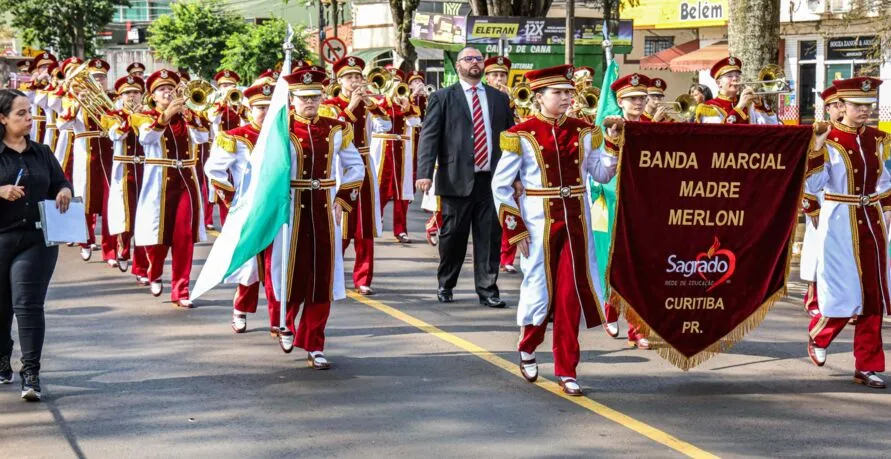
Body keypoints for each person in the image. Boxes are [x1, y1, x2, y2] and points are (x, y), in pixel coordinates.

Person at [492, 64, 621, 396]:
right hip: (538, 225)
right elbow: (501, 187)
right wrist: (515, 229)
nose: (566, 97)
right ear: (539, 97)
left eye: (568, 92)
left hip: (578, 223)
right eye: (558, 93)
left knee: (570, 297)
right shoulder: (520, 134)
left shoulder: (584, 131)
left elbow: (601, 173)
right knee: (539, 292)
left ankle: (567, 369)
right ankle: (528, 345)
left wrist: (614, 144)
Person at [266, 68, 365, 368]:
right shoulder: (280, 130)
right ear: (292, 99)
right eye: (303, 98)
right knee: (289, 271)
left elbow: (355, 167)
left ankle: (314, 343)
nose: (310, 103)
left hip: (324, 206)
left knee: (322, 277)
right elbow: (266, 172)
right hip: (291, 208)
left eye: (315, 97)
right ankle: (286, 323)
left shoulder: (336, 129)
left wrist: (343, 199)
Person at [805, 77, 890, 389]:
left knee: (873, 295)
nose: (865, 110)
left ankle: (867, 365)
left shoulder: (878, 140)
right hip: (839, 221)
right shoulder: (828, 141)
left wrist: (887, 214)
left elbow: (884, 185)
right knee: (845, 292)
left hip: (872, 220)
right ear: (840, 107)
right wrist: (815, 149)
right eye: (858, 105)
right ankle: (819, 334)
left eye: (868, 105)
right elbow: (812, 186)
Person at [416, 46, 513, 307]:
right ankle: (446, 283)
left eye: (479, 59)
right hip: (455, 178)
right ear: (458, 65)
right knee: (453, 237)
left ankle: (488, 290)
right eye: (469, 59)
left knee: (489, 238)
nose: (475, 63)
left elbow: (511, 137)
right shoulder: (443, 97)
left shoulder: (498, 98)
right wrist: (424, 173)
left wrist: (516, 176)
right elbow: (429, 136)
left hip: (491, 180)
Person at [0, 88, 73, 401]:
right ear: (2, 118)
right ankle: (2, 358)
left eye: (30, 112)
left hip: (37, 239)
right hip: (2, 236)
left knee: (27, 305)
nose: (30, 118)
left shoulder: (42, 152)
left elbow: (60, 181)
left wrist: (64, 192)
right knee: (1, 307)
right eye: (21, 113)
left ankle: (31, 373)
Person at [131, 69, 210, 307]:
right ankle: (154, 272)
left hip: (186, 179)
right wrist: (166, 116)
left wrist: (190, 115)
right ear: (153, 96)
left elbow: (203, 138)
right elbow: (147, 139)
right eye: (162, 90)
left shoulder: (189, 116)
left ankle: (181, 290)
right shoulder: (143, 116)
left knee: (183, 236)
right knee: (157, 236)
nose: (167, 92)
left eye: (171, 89)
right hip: (159, 182)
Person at [205, 81, 274, 333]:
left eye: (269, 106)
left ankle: (278, 319)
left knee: (277, 262)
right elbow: (213, 170)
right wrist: (232, 198)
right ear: (248, 109)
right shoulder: (236, 137)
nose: (265, 112)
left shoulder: (285, 134)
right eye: (260, 107)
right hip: (249, 210)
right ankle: (240, 308)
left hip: (278, 208)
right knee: (250, 263)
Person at [321, 56, 387, 296]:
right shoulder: (330, 104)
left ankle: (363, 278)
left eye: (358, 76)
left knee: (365, 223)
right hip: (340, 165)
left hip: (365, 163)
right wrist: (350, 106)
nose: (355, 81)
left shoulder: (368, 103)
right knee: (341, 221)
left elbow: (386, 127)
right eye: (349, 77)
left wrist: (372, 105)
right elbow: (333, 129)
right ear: (340, 80)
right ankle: (331, 271)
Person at [599, 73, 652, 348]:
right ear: (620, 101)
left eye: (642, 98)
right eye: (632, 98)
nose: (639, 102)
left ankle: (638, 328)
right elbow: (599, 172)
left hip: (646, 203)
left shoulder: (654, 128)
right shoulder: (609, 128)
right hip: (615, 201)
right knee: (615, 260)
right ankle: (610, 310)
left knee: (641, 267)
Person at [57, 58, 117, 265]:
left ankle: (111, 251)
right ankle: (85, 241)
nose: (99, 81)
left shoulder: (114, 99)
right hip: (85, 155)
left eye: (102, 78)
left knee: (112, 203)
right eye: (95, 77)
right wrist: (76, 103)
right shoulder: (74, 100)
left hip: (110, 154)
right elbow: (62, 125)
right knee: (84, 200)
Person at [800, 85, 845, 318]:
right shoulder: (816, 134)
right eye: (836, 105)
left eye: (843, 104)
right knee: (816, 250)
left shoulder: (854, 136)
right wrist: (811, 207)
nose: (841, 109)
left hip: (846, 205)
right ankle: (813, 297)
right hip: (821, 202)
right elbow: (806, 176)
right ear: (827, 108)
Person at [104, 75, 149, 281]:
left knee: (145, 218)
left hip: (147, 168)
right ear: (120, 96)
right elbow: (116, 134)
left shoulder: (150, 114)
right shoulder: (112, 114)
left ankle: (141, 267)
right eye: (128, 93)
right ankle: (122, 247)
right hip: (124, 169)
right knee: (126, 214)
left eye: (136, 92)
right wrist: (131, 117)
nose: (132, 96)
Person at [370, 69, 421, 244]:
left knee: (402, 192)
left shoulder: (407, 103)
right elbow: (377, 124)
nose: (396, 88)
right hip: (382, 149)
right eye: (393, 84)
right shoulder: (378, 102)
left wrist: (406, 106)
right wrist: (384, 102)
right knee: (380, 188)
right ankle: (376, 222)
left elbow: (415, 122)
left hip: (401, 149)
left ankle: (400, 230)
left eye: (399, 83)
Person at [695, 56, 779, 125]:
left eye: (737, 75)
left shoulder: (749, 104)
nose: (735, 78)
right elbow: (719, 133)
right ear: (718, 82)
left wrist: (760, 105)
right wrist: (740, 106)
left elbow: (773, 125)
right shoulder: (708, 107)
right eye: (729, 76)